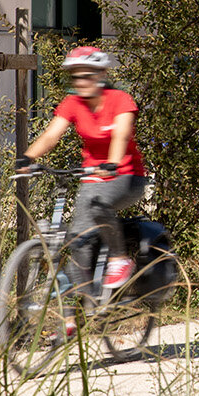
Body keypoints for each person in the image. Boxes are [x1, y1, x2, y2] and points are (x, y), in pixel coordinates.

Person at [18, 46, 147, 296]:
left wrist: (111, 162)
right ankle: (85, 305)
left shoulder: (120, 99)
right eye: (75, 76)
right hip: (92, 177)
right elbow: (51, 135)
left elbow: (121, 134)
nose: (80, 81)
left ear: (101, 75)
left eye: (86, 75)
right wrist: (27, 157)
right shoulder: (73, 102)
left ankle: (120, 259)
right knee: (78, 241)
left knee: (98, 204)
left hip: (127, 175)